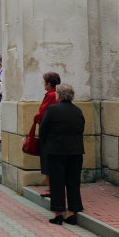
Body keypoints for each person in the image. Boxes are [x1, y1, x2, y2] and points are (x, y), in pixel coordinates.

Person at [40, 83, 84, 225]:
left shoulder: (52, 109)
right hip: (75, 151)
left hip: (56, 151)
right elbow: (81, 128)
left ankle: (58, 213)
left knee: (57, 182)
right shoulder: (78, 110)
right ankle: (72, 212)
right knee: (73, 182)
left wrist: (47, 143)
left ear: (58, 95)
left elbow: (43, 129)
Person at [34, 72, 61, 197]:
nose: (43, 84)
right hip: (57, 132)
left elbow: (43, 114)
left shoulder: (50, 95)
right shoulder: (58, 93)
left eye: (44, 82)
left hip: (48, 132)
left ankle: (51, 189)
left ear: (48, 84)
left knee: (47, 162)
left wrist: (36, 118)